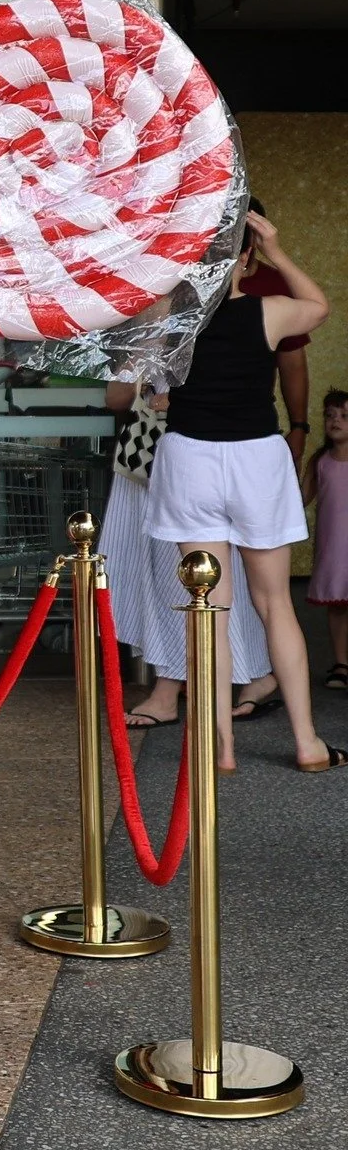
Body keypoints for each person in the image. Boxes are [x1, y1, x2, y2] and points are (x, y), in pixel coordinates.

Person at [146, 206, 334, 774]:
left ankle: (219, 747)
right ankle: (307, 743)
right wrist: (276, 250)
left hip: (189, 460)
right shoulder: (270, 312)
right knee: (276, 604)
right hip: (256, 460)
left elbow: (133, 357)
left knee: (210, 612)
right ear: (244, 260)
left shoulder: (167, 318)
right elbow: (319, 307)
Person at [101, 381, 279, 727]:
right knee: (182, 572)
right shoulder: (148, 334)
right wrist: (141, 349)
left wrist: (177, 397)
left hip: (201, 451)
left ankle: (172, 687)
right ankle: (249, 671)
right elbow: (116, 398)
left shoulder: (215, 330)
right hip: (158, 455)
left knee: (189, 574)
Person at [239, 195, 313, 465]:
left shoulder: (275, 283)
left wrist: (299, 427)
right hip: (194, 418)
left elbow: (292, 363)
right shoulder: (194, 284)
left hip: (254, 418)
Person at [304, 388, 348, 690]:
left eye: (344, 416)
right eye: (330, 415)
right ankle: (341, 662)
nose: (335, 421)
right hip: (334, 548)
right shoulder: (320, 461)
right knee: (338, 605)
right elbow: (300, 499)